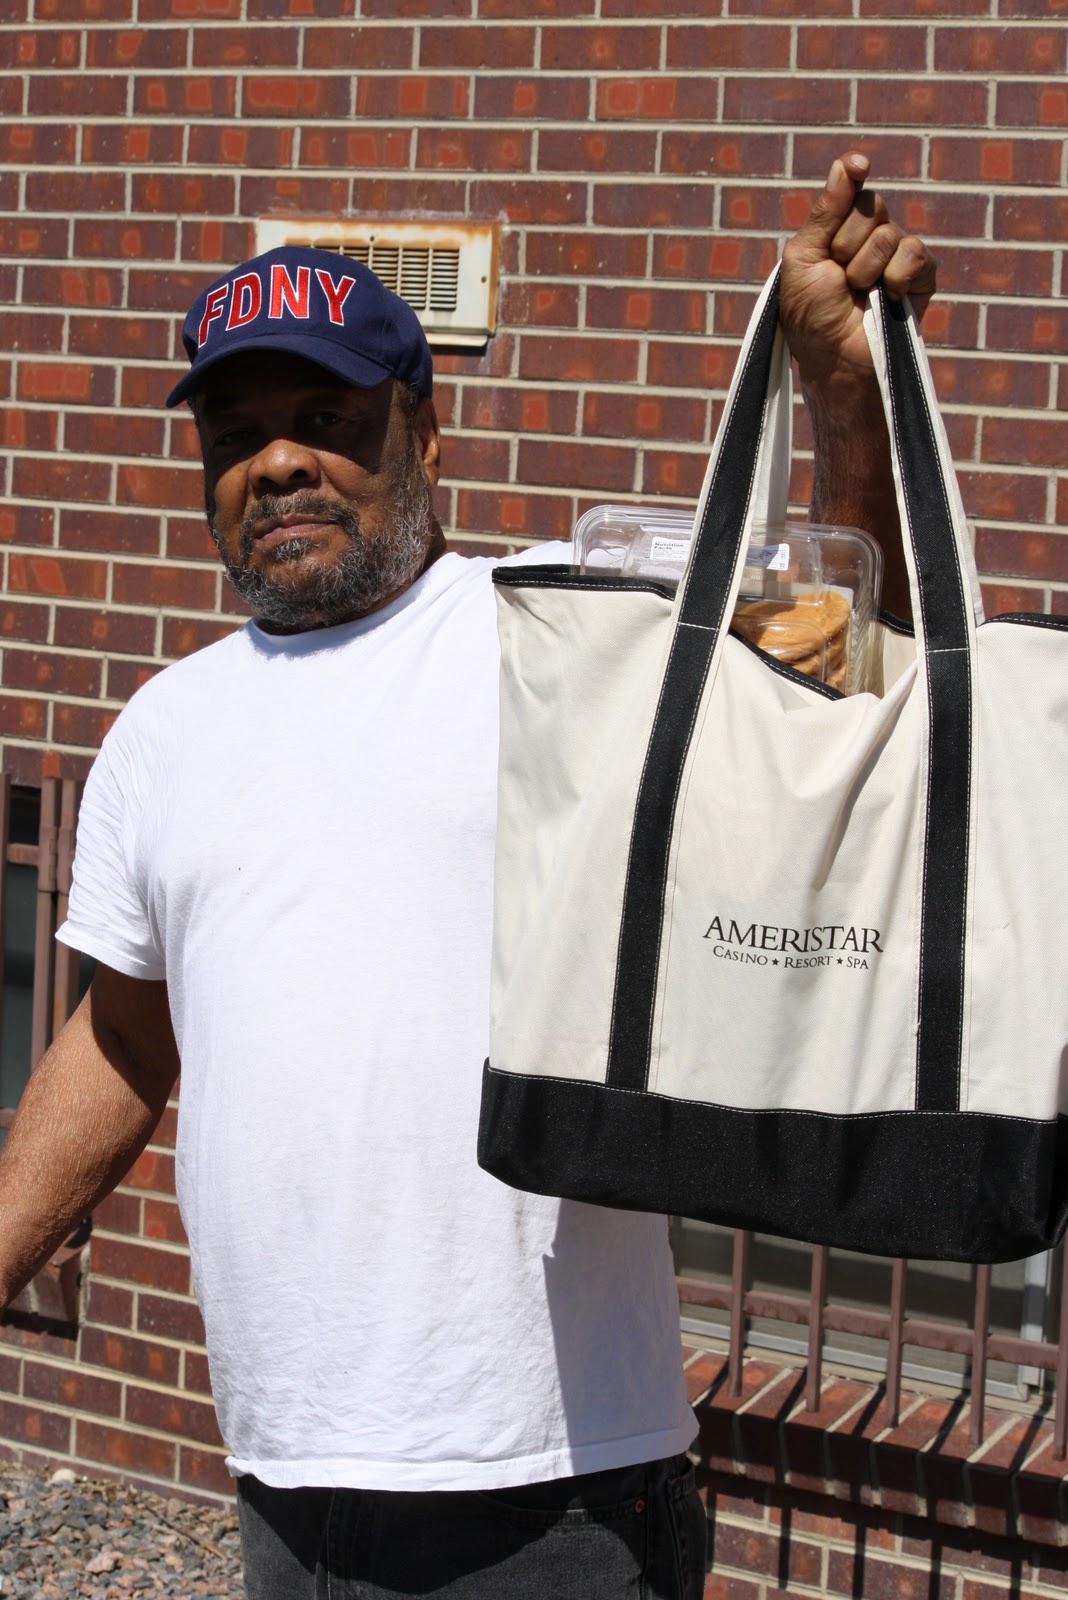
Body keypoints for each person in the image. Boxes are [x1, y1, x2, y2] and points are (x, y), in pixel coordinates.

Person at [0, 153, 934, 1599]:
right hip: (284, 1480)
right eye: (236, 436)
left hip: (552, 1491)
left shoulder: (561, 631)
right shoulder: (165, 729)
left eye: (326, 419)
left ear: (425, 435)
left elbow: (846, 671)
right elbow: (125, 1037)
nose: (277, 463)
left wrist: (845, 399)